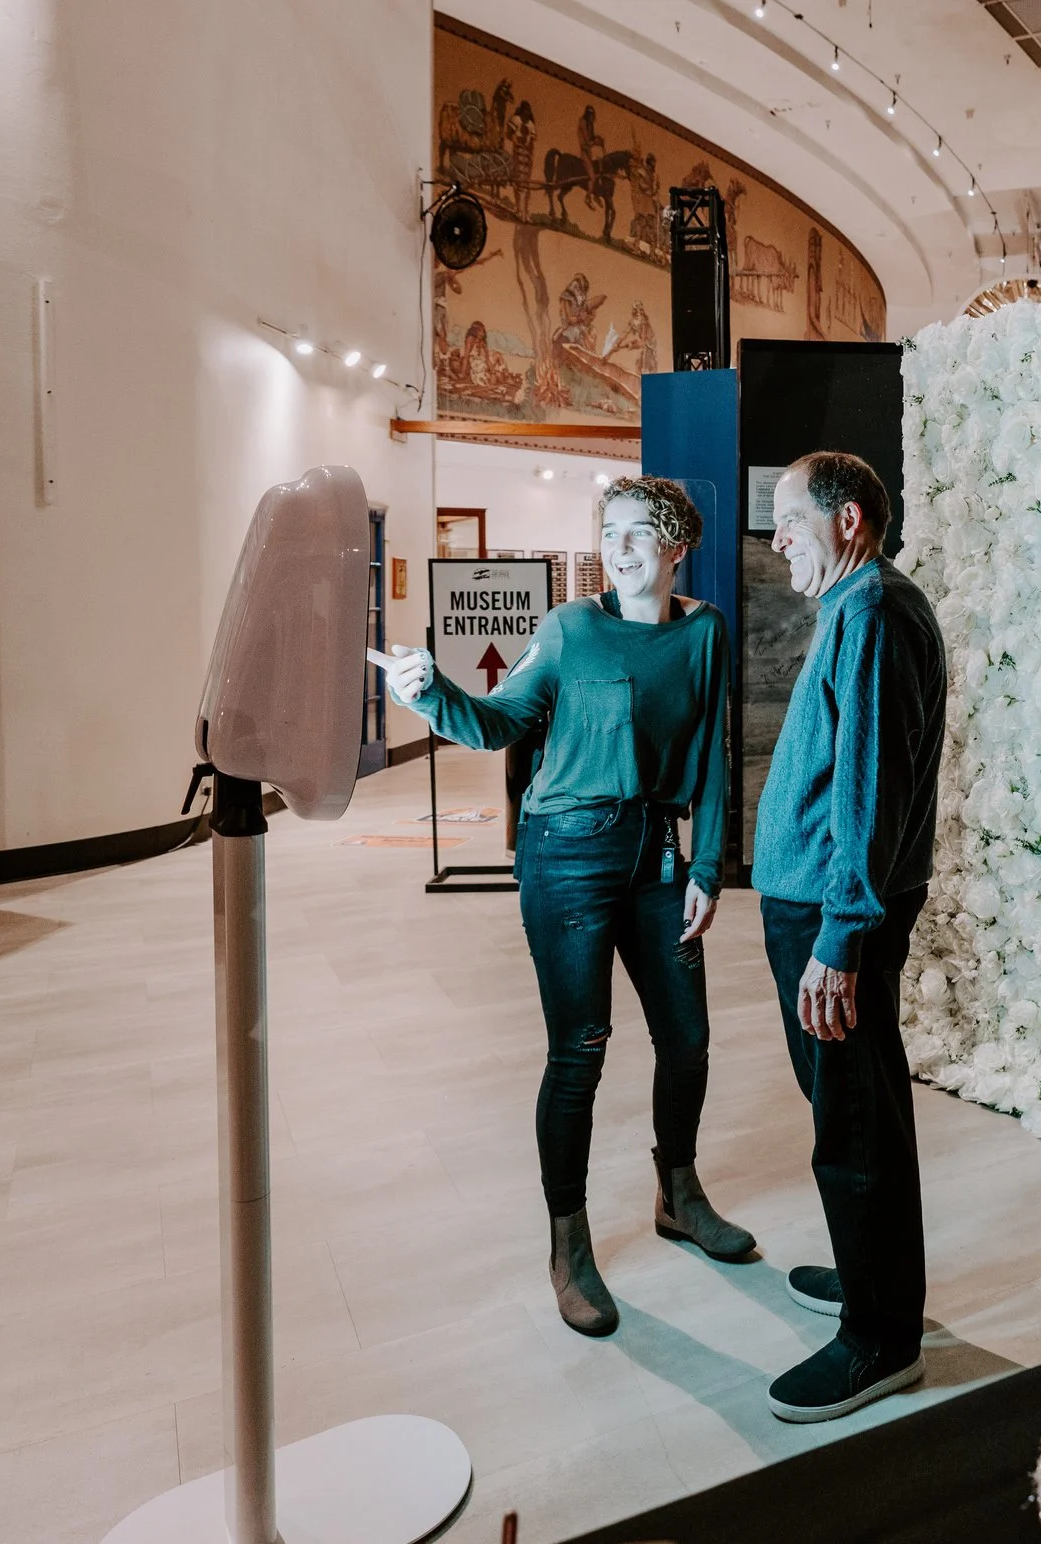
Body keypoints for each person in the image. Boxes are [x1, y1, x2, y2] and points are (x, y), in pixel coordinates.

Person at [380, 476, 752, 1337]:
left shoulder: (704, 632)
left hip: (661, 856)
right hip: (567, 856)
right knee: (580, 1049)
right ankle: (569, 1243)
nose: (619, 547)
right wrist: (430, 692)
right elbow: (501, 720)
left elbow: (711, 753)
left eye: (637, 533)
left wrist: (708, 867)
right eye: (609, 531)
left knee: (688, 1039)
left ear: (675, 547)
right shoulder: (567, 629)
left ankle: (680, 1193)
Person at [754, 451, 947, 1423]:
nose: (777, 535)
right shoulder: (859, 604)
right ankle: (880, 1276)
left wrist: (841, 933)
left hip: (835, 916)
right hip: (826, 906)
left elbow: (870, 787)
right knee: (858, 1097)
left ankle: (882, 1336)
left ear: (851, 520)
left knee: (852, 1117)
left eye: (791, 518)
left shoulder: (870, 610)